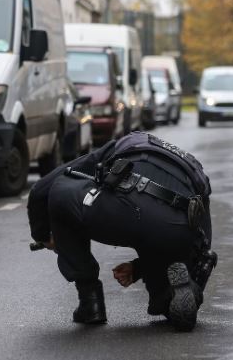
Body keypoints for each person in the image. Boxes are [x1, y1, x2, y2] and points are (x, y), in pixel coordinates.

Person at [27, 132, 216, 332]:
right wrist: (139, 268)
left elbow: (41, 190)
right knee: (162, 301)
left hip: (130, 209)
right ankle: (180, 294)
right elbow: (203, 239)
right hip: (179, 229)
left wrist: (44, 235)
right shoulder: (192, 165)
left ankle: (90, 301)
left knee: (61, 188)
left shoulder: (125, 145)